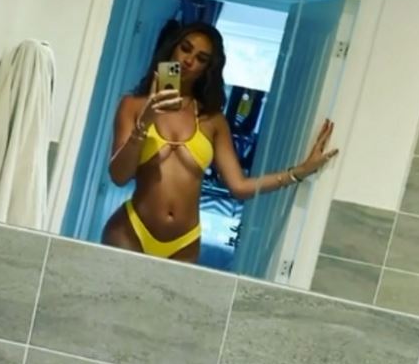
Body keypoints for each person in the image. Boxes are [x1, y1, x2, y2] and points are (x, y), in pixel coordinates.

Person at [102, 21, 338, 263]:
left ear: (207, 69)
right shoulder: (133, 105)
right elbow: (119, 176)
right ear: (172, 49)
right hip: (131, 231)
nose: (188, 60)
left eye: (201, 58)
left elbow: (239, 186)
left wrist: (298, 172)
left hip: (183, 243)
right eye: (185, 48)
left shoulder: (213, 120)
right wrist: (144, 124)